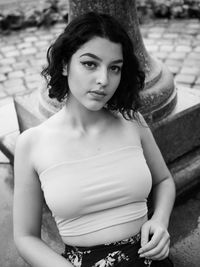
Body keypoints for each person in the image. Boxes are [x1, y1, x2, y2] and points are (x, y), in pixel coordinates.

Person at [13, 12, 176, 267]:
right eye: (90, 64)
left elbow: (164, 180)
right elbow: (25, 237)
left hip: (148, 257)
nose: (104, 80)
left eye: (114, 68)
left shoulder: (133, 122)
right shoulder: (32, 143)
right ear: (66, 64)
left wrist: (160, 221)